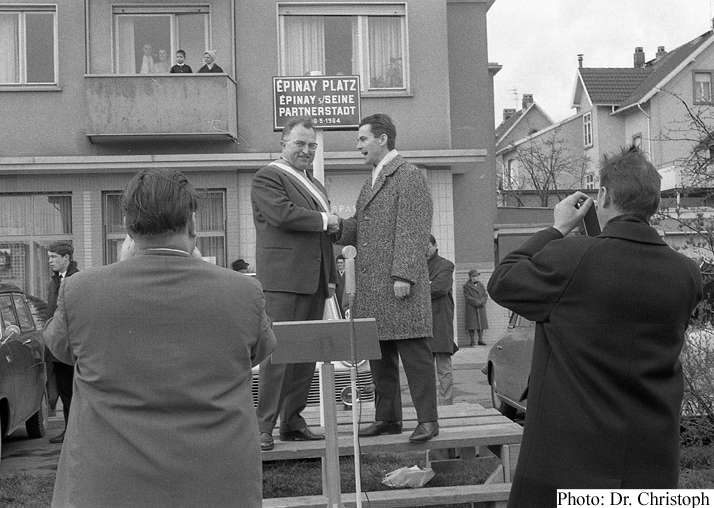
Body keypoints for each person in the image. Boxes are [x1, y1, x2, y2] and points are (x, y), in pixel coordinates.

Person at [43, 168, 274, 508]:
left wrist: (124, 266)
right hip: (217, 482)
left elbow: (59, 347)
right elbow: (259, 351)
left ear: (127, 225)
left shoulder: (81, 289)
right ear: (192, 223)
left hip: (108, 485)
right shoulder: (243, 291)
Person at [487, 146, 703, 508]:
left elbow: (503, 280)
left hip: (569, 465)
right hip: (651, 462)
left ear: (603, 195)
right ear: (654, 203)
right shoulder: (686, 273)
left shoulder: (573, 259)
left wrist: (557, 229)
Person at [336, 113, 438, 443]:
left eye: (362, 139)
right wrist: (334, 227)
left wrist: (404, 274)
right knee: (381, 359)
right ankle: (388, 418)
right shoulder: (373, 180)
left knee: (414, 354)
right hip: (374, 288)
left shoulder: (409, 175)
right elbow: (360, 229)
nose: (358, 145)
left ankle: (428, 421)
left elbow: (414, 228)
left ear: (382, 139)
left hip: (397, 285)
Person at [251, 118, 338, 451]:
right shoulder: (268, 176)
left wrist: (330, 281)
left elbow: (323, 238)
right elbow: (282, 214)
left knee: (305, 356)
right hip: (283, 280)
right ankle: (264, 426)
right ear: (283, 144)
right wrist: (324, 219)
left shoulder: (315, 183)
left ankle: (292, 420)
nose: (306, 151)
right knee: (277, 356)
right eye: (300, 144)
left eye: (311, 145)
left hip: (315, 281)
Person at [45, 241, 78, 444]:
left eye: (54, 257)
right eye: (49, 257)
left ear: (66, 258)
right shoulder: (54, 281)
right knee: (64, 392)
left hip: (70, 348)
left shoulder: (76, 280)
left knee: (73, 392)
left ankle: (75, 433)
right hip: (56, 347)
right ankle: (69, 430)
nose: (50, 261)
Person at [426, 234, 457, 406]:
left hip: (441, 322)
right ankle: (428, 406)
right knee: (425, 370)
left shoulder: (446, 265)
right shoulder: (416, 266)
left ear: (435, 245)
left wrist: (420, 287)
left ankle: (446, 404)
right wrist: (428, 284)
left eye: (428, 245)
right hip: (422, 324)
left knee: (444, 369)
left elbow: (440, 288)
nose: (425, 249)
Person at [463, 269, 488, 346]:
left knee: (481, 324)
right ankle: (472, 341)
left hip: (481, 307)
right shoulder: (466, 286)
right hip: (471, 307)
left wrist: (482, 301)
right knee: (472, 324)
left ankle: (480, 340)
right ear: (470, 277)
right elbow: (467, 296)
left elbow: (485, 294)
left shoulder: (481, 285)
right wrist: (476, 302)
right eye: (473, 276)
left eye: (476, 276)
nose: (475, 278)